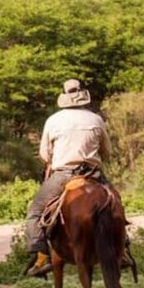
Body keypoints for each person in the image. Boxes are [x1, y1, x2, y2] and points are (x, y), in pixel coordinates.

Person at [24, 79, 113, 277]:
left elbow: (45, 156)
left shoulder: (53, 121)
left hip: (64, 174)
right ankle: (123, 250)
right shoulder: (96, 119)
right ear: (82, 95)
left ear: (64, 96)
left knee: (35, 212)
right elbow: (107, 152)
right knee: (116, 206)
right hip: (93, 174)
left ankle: (41, 258)